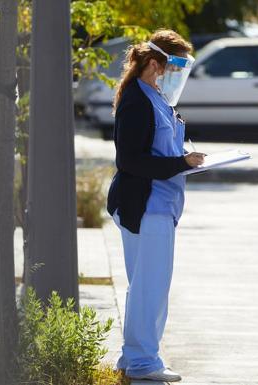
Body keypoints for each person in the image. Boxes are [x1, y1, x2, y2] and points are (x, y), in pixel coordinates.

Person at [106, 29, 204, 382]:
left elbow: (160, 147)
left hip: (156, 205)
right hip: (145, 206)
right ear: (153, 64)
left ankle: (132, 356)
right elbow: (131, 161)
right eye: (172, 68)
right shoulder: (137, 100)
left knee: (144, 285)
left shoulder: (154, 96)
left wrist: (184, 158)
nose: (175, 76)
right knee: (151, 286)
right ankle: (144, 363)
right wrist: (183, 163)